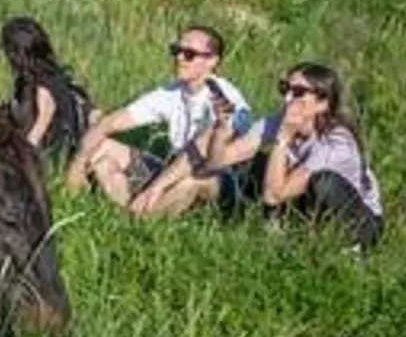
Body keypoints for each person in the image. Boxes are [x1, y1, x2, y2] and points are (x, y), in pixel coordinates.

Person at [66, 24, 253, 216]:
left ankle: (137, 217)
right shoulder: (172, 91)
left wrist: (155, 188)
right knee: (103, 149)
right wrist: (78, 163)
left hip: (219, 178)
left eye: (189, 54)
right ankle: (124, 212)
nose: (179, 58)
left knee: (193, 181)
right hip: (174, 167)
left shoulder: (225, 99)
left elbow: (200, 150)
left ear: (212, 61)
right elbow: (110, 123)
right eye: (176, 51)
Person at [204, 62, 384, 252]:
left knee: (324, 181)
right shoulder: (279, 120)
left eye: (299, 92)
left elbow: (274, 195)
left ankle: (351, 250)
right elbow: (217, 162)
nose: (288, 98)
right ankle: (279, 235)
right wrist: (222, 126)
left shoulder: (337, 143)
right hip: (306, 206)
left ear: (322, 103)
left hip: (359, 220)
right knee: (255, 163)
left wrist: (283, 138)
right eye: (285, 88)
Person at [0, 16, 97, 167]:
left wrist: (23, 156)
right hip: (70, 149)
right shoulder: (57, 78)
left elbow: (44, 118)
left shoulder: (41, 85)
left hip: (54, 156)